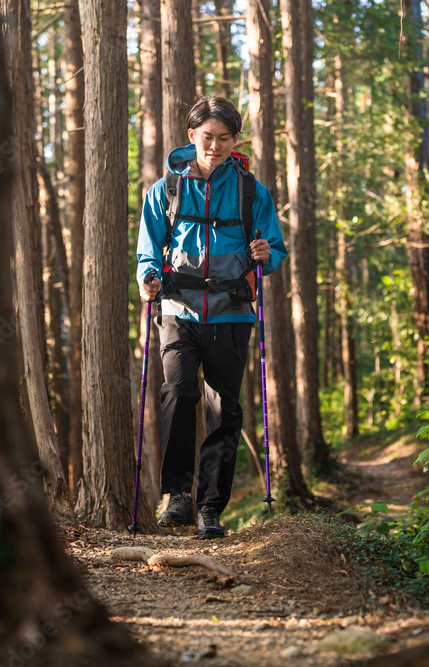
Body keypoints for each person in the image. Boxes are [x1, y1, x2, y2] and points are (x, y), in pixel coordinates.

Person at [136, 95, 286, 539]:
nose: (215, 146)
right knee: (179, 392)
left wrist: (266, 254)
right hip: (178, 310)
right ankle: (177, 495)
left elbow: (274, 249)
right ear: (191, 137)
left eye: (224, 138)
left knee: (224, 408)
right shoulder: (164, 190)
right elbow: (148, 248)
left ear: (235, 140)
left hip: (231, 315)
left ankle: (210, 508)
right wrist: (148, 276)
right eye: (207, 137)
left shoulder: (252, 192)